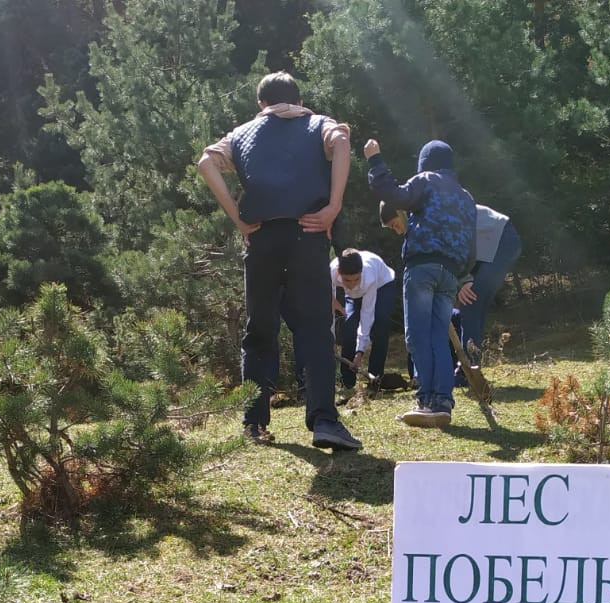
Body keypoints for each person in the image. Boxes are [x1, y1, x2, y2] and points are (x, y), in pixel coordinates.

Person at [197, 71, 361, 452]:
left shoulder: (241, 133)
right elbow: (340, 141)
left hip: (262, 238)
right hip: (309, 233)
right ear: (298, 100)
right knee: (317, 328)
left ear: (261, 104)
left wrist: (239, 220)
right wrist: (333, 206)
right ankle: (324, 421)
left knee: (260, 329)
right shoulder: (317, 123)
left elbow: (206, 162)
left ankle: (254, 423)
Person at [363, 138, 476, 428]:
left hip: (422, 265)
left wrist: (375, 160)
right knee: (438, 335)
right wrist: (463, 274)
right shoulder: (466, 197)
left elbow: (392, 195)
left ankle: (428, 400)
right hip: (450, 272)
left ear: (425, 163)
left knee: (417, 336)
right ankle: (442, 402)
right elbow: (472, 244)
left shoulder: (426, 180)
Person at [455, 204, 522, 381]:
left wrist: (463, 282)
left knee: (470, 301)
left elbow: (456, 251)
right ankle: (470, 368)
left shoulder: (438, 218)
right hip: (495, 242)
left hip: (501, 240)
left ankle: (468, 371)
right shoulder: (437, 213)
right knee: (473, 305)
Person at [330, 247, 397, 391]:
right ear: (339, 273)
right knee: (348, 327)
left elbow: (367, 314)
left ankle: (375, 379)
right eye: (348, 280)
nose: (353, 284)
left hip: (383, 285)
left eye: (356, 279)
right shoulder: (331, 272)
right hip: (355, 296)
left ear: (361, 273)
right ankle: (347, 382)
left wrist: (360, 352)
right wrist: (330, 339)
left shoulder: (369, 277)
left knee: (380, 324)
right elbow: (328, 307)